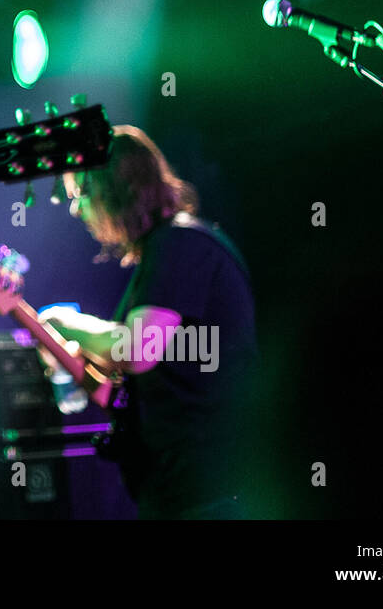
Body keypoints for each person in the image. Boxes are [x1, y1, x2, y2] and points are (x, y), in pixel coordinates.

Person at [37, 126, 256, 519]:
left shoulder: (180, 245)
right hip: (181, 493)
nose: (76, 209)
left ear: (116, 188)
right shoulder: (164, 254)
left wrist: (65, 323)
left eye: (81, 194)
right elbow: (130, 371)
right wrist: (71, 352)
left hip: (213, 491)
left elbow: (137, 349)